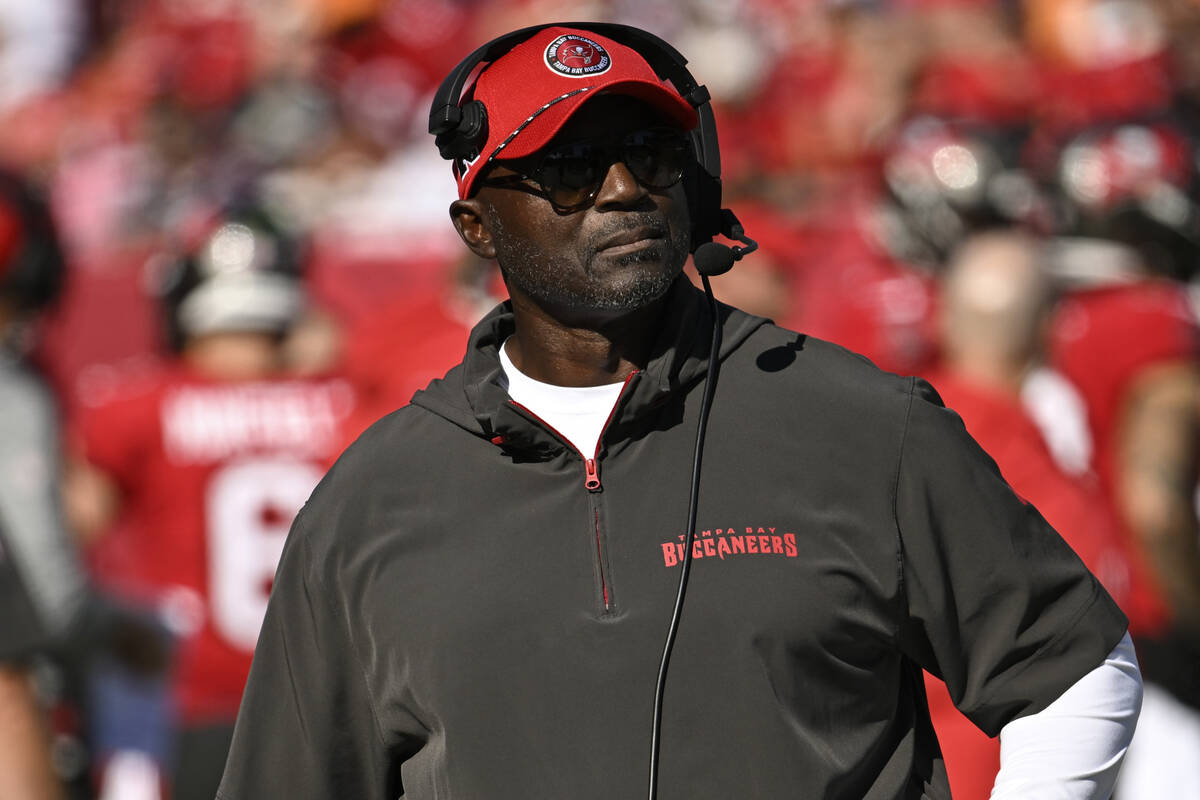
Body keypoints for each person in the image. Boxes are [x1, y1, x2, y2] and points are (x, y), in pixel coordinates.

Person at [218, 24, 1140, 799]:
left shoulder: (861, 423)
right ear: (478, 226)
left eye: (653, 155)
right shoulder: (370, 502)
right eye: (572, 168)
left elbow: (1072, 668)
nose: (624, 190)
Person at [67, 207, 355, 800]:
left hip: (184, 705)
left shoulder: (136, 407)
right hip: (321, 699)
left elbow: (67, 534)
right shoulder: (350, 405)